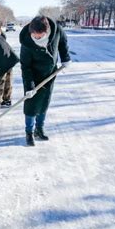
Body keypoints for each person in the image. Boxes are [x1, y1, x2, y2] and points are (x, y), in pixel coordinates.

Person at [19, 15, 71, 146]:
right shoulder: (26, 42)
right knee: (31, 104)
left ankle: (39, 129)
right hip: (33, 75)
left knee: (44, 102)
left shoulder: (56, 30)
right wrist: (30, 87)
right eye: (34, 35)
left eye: (39, 36)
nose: (36, 38)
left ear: (47, 31)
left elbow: (63, 41)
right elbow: (25, 67)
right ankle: (29, 132)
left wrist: (65, 58)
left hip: (50, 73)